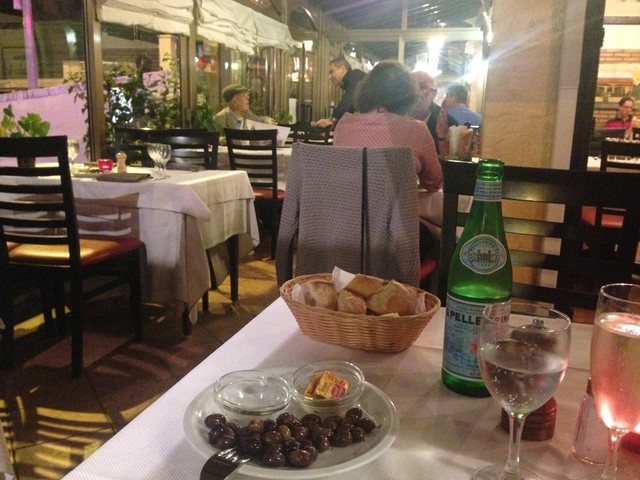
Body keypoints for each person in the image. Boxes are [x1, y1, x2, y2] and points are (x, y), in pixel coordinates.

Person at [333, 61, 443, 260]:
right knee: (441, 238)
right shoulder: (416, 129)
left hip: (344, 231)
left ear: (366, 90)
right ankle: (413, 279)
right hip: (394, 239)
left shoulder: (343, 124)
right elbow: (433, 183)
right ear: (407, 94)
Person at [410, 71, 458, 155]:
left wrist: (443, 137)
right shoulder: (397, 119)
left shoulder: (449, 123)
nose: (416, 93)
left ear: (433, 93)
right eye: (411, 88)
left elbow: (452, 160)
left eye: (422, 87)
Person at [316, 58, 366, 129]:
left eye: (332, 72)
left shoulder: (356, 76)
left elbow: (349, 99)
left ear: (342, 69)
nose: (330, 76)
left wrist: (332, 119)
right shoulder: (353, 80)